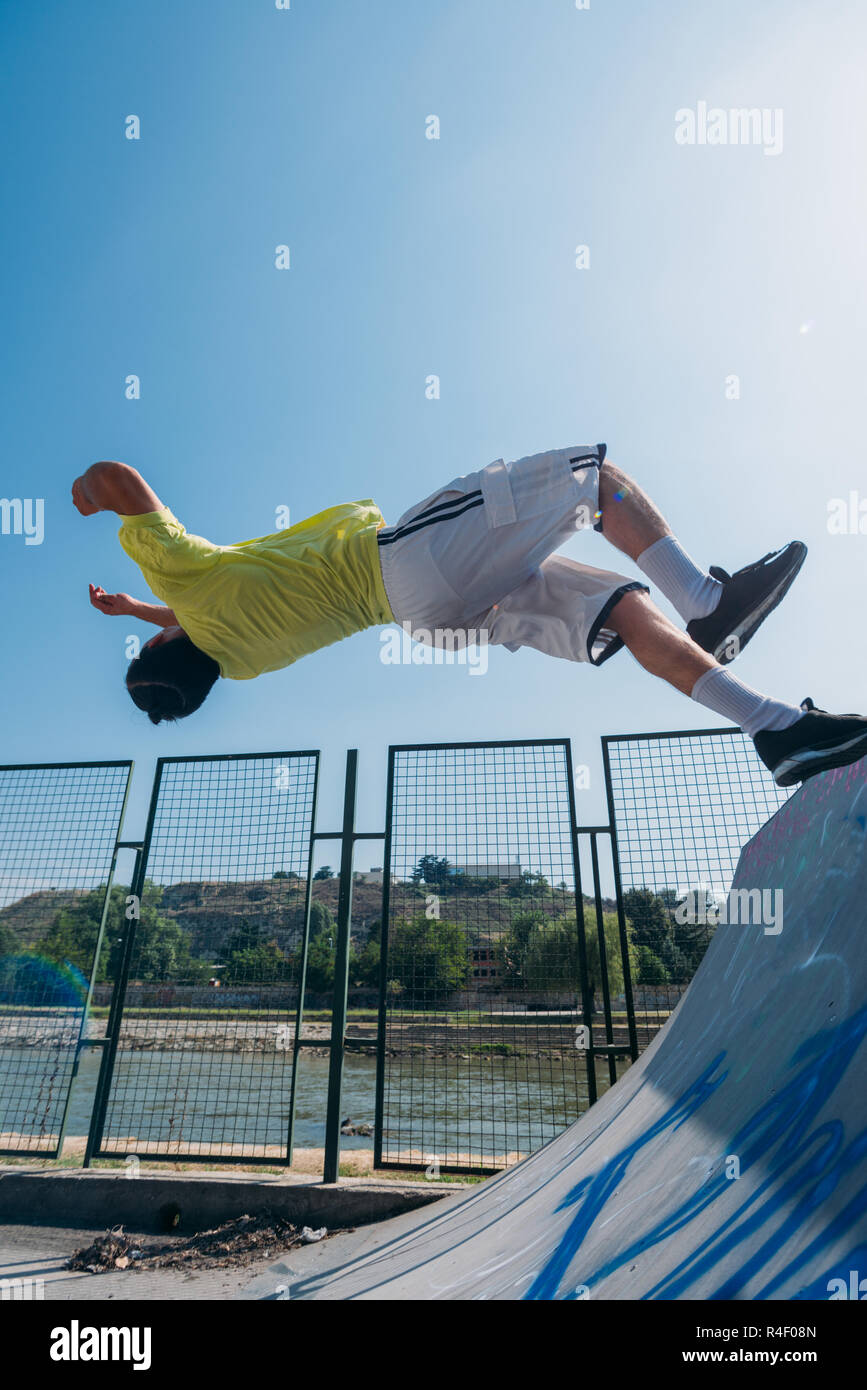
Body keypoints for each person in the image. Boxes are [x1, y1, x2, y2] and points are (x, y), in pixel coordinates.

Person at [72, 445, 867, 787]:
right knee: (592, 480)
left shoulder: (237, 659)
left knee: (621, 609)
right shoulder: (191, 578)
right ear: (163, 640)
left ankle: (772, 730)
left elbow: (188, 630)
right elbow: (117, 478)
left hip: (432, 619)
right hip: (407, 563)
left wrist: (137, 611)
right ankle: (706, 602)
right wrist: (90, 492)